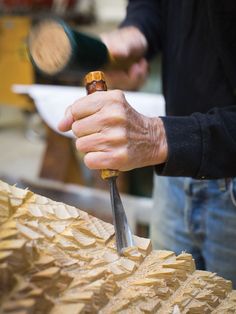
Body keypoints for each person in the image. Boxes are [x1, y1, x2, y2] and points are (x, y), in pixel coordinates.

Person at [58, 0, 236, 286]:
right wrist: (136, 31)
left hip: (214, 172)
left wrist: (158, 137)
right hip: (173, 173)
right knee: (165, 295)